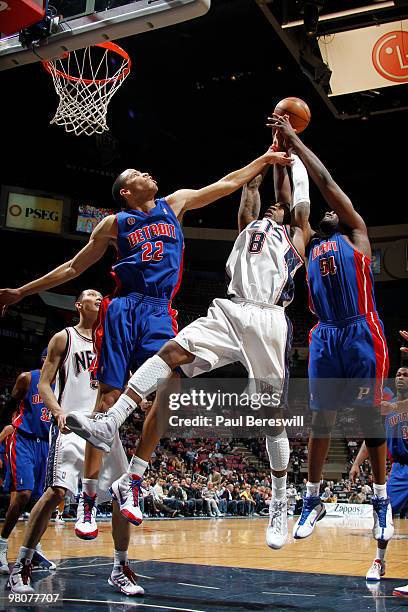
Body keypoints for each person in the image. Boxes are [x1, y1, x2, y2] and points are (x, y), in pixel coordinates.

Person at [0, 148, 292, 536]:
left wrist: (266, 158)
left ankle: (134, 479)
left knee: (172, 387)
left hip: (159, 308)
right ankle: (88, 500)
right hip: (122, 308)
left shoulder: (176, 203)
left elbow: (227, 184)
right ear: (126, 191)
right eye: (137, 172)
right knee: (105, 400)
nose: (147, 172)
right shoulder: (113, 224)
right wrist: (22, 292)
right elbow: (73, 267)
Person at [65, 142, 312, 552]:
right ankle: (112, 420)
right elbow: (245, 187)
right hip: (231, 309)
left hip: (269, 320)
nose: (272, 209)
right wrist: (272, 151)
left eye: (278, 209)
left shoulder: (296, 234)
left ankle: (280, 500)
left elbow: (292, 199)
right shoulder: (250, 226)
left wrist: (293, 159)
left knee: (272, 420)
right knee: (172, 353)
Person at [269, 114, 393, 545]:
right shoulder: (308, 240)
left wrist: (298, 144)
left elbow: (324, 183)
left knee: (366, 414)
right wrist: (280, 157)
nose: (324, 211)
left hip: (360, 332)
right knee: (320, 420)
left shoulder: (356, 234)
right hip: (324, 335)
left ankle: (380, 500)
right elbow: (287, 204)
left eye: (330, 211)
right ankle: (312, 497)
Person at [7, 290, 143, 596]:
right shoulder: (63, 338)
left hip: (105, 426)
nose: (98, 298)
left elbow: (127, 382)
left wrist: (139, 401)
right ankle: (22, 566)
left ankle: (120, 568)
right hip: (72, 424)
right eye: (91, 295)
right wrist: (57, 411)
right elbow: (43, 382)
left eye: (100, 295)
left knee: (124, 496)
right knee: (57, 492)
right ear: (78, 305)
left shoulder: (114, 341)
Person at [350, 366, 408, 581]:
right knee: (385, 515)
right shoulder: (388, 408)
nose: (401, 377)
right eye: (399, 374)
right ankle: (379, 561)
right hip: (400, 469)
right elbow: (372, 438)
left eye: (406, 375)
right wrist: (357, 463)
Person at [0, 349, 55, 575]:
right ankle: (2, 545)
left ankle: (33, 548)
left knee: (45, 500)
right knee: (22, 494)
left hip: (46, 443)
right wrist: (8, 426)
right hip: (23, 438)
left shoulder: (62, 385)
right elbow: (10, 405)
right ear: (47, 359)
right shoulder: (28, 378)